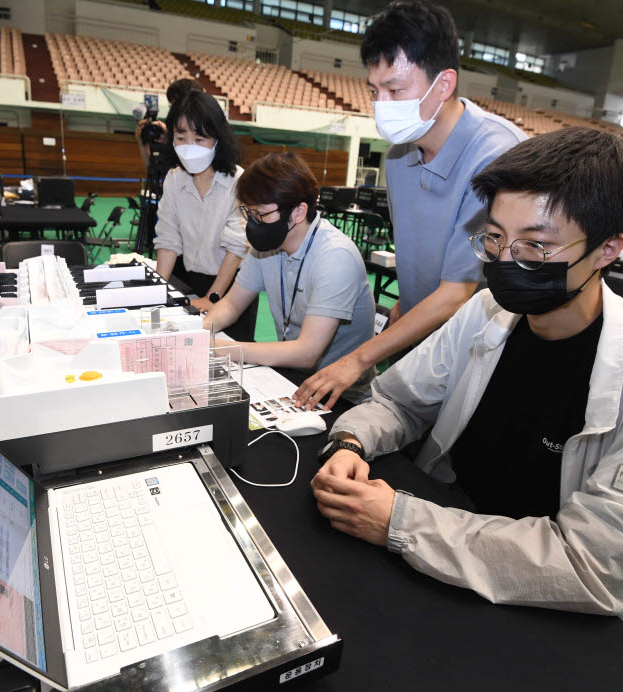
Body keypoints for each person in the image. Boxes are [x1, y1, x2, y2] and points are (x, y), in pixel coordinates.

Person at [311, 127, 623, 639]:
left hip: (551, 610)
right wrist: (352, 440)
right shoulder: (486, 312)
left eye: (536, 246)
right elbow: (400, 403)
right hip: (449, 540)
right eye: (495, 238)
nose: (504, 261)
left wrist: (402, 522)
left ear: (608, 250)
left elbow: (600, 567)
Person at [293, 0, 525, 410]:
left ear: (444, 84)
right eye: (374, 91)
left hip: (483, 350)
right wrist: (408, 303)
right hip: (424, 335)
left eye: (395, 90)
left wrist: (360, 357)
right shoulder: (399, 157)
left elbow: (458, 293)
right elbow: (421, 255)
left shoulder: (495, 156)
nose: (382, 104)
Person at [204, 153, 376, 401]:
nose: (253, 223)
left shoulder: (336, 257)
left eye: (260, 214)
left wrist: (218, 349)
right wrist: (199, 333)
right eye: (248, 212)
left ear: (298, 212)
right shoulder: (270, 244)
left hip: (339, 398)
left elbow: (307, 352)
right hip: (291, 378)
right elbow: (231, 304)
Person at [154, 89, 256, 341]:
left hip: (232, 288)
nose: (189, 147)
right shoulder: (174, 179)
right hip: (192, 281)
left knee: (227, 359)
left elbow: (235, 248)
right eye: (181, 137)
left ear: (217, 139)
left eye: (200, 139)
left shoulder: (238, 182)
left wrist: (213, 297)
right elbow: (168, 239)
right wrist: (155, 291)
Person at [135, 78, 204, 169]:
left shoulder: (207, 133)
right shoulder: (172, 134)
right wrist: (142, 142)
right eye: (171, 105)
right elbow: (152, 168)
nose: (174, 110)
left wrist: (173, 139)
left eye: (176, 104)